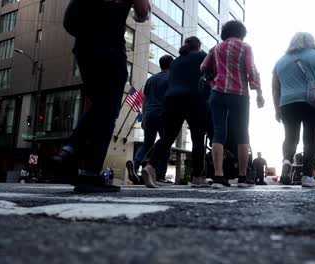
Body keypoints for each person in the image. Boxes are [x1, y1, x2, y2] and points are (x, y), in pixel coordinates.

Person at [54, 0, 151, 193]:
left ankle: (79, 159)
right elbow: (142, 12)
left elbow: (68, 21)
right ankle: (80, 159)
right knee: (108, 110)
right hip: (111, 49)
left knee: (100, 106)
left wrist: (89, 33)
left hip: (84, 50)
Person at [272, 32, 315, 188]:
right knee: (310, 137)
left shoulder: (281, 61)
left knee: (290, 136)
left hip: (287, 102)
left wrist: (277, 108)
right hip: (311, 101)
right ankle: (307, 176)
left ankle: (287, 160)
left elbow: (275, 88)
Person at [201, 20, 264, 189]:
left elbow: (203, 67)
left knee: (219, 133)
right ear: (241, 32)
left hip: (217, 93)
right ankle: (242, 177)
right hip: (239, 94)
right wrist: (258, 92)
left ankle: (218, 177)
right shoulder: (245, 47)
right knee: (242, 132)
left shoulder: (216, 48)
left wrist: (216, 72)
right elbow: (251, 70)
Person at [142, 36, 209, 188]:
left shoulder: (176, 61)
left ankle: (150, 165)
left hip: (172, 100)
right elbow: (211, 74)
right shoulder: (201, 56)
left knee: (167, 137)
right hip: (194, 99)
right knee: (198, 138)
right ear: (198, 46)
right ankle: (197, 176)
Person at [126, 55, 174, 185]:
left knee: (148, 142)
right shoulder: (171, 77)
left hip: (149, 114)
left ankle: (135, 165)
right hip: (162, 113)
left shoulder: (151, 79)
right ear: (171, 65)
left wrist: (143, 117)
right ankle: (160, 175)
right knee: (166, 142)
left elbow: (144, 99)